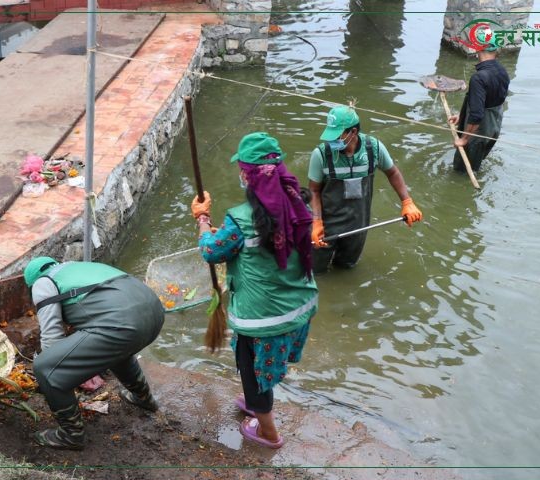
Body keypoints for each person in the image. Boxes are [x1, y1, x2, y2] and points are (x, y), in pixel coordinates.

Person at [190, 132, 318, 449]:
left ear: (248, 175)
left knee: (252, 373)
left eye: (241, 170)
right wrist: (228, 236)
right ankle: (255, 402)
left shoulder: (241, 218)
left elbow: (210, 251)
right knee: (261, 369)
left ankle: (268, 432)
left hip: (263, 318)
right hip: (300, 307)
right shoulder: (298, 202)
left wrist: (203, 219)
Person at [24, 257, 164, 450]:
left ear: (31, 284)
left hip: (123, 323)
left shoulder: (42, 283)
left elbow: (51, 337)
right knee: (115, 348)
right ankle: (144, 399)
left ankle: (71, 435)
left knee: (45, 367)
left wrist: (57, 373)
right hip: (155, 311)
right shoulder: (76, 267)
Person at [308, 105, 423, 273]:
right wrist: (316, 221)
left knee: (346, 268)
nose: (331, 141)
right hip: (327, 224)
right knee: (315, 270)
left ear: (353, 132)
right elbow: (314, 190)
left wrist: (407, 201)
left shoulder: (373, 149)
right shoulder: (320, 155)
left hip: (358, 223)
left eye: (337, 136)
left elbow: (393, 173)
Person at [448, 28, 510, 172]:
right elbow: (490, 101)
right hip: (493, 129)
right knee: (476, 165)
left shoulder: (479, 78)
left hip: (477, 133)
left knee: (461, 172)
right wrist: (462, 116)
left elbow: (476, 115)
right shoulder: (502, 71)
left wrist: (463, 139)